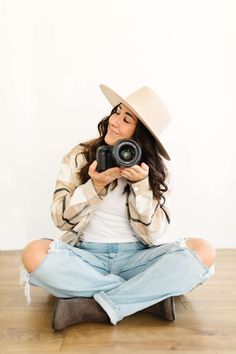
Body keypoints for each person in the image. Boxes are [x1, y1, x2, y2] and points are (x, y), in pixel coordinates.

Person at [20, 84, 216, 331]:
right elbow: (60, 219)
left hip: (136, 258)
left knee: (203, 252)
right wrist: (94, 186)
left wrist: (142, 187)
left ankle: (97, 302)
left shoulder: (152, 171)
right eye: (116, 112)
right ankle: (145, 296)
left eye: (127, 119)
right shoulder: (80, 156)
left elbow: (153, 234)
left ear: (140, 134)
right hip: (85, 256)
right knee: (33, 253)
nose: (114, 121)